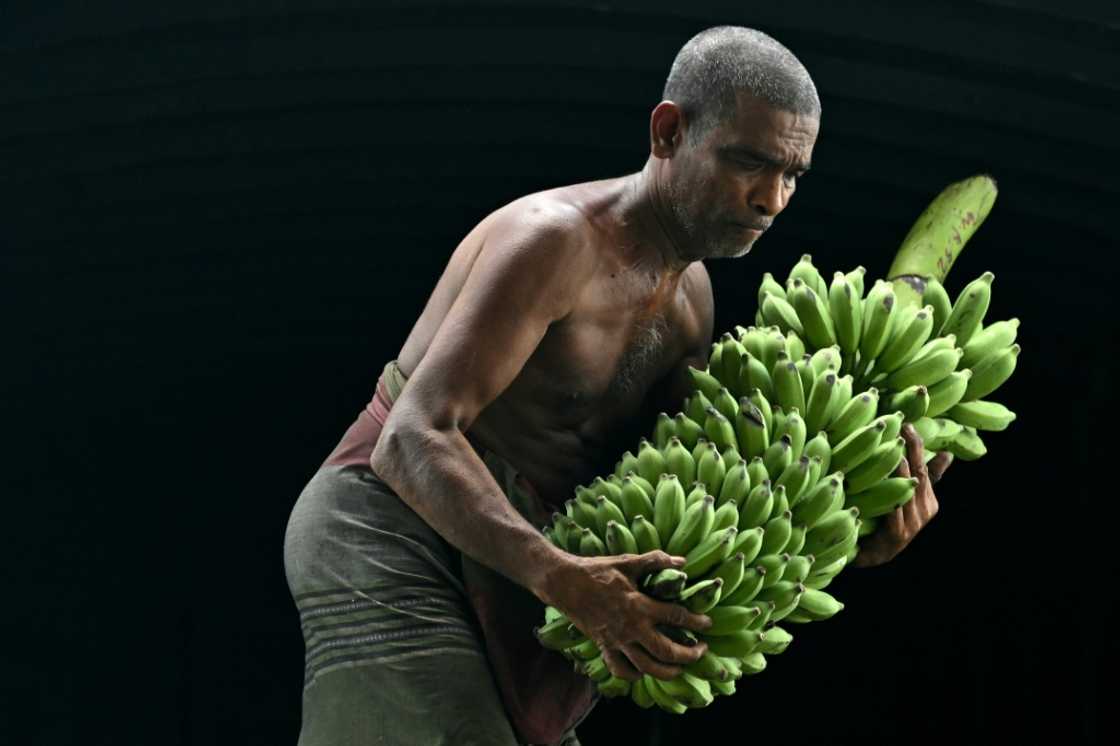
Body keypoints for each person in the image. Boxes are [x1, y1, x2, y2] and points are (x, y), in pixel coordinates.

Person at [283, 25, 952, 746]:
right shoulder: (553, 242)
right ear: (669, 131)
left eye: (792, 175)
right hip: (391, 520)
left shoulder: (692, 302)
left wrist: (849, 529)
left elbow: (707, 483)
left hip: (518, 554)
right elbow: (412, 438)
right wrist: (565, 580)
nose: (772, 200)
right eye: (749, 162)